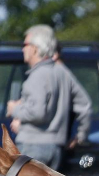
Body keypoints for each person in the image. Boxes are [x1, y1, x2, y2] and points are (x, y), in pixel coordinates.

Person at [5, 25, 91, 168]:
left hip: (33, 147)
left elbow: (37, 113)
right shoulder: (62, 73)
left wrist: (15, 109)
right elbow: (86, 105)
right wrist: (81, 137)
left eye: (25, 45)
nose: (23, 49)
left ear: (35, 48)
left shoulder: (37, 75)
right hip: (56, 149)